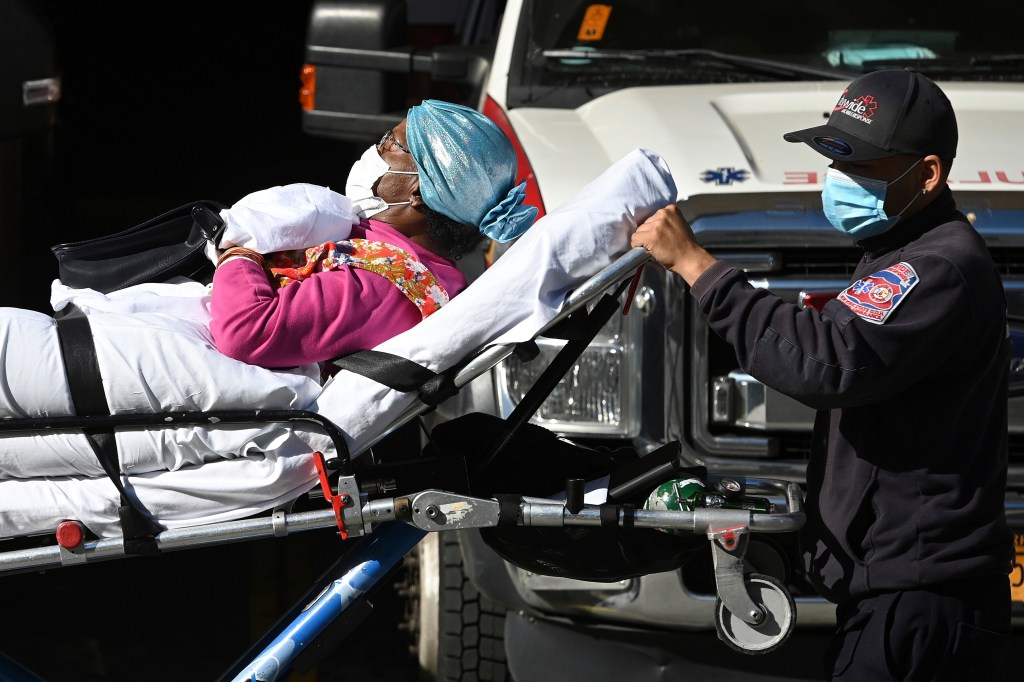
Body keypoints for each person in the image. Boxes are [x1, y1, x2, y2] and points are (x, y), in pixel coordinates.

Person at [632, 69, 1013, 679]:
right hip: (895, 590)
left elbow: (828, 361)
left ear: (929, 174)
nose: (839, 179)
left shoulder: (939, 266)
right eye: (834, 158)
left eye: (861, 165)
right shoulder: (906, 254)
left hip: (920, 601)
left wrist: (699, 267)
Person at [210, 99, 538, 368]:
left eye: (390, 143)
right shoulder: (412, 260)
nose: (374, 149)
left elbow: (247, 333)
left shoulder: (382, 281)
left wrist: (240, 246)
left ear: (419, 193)